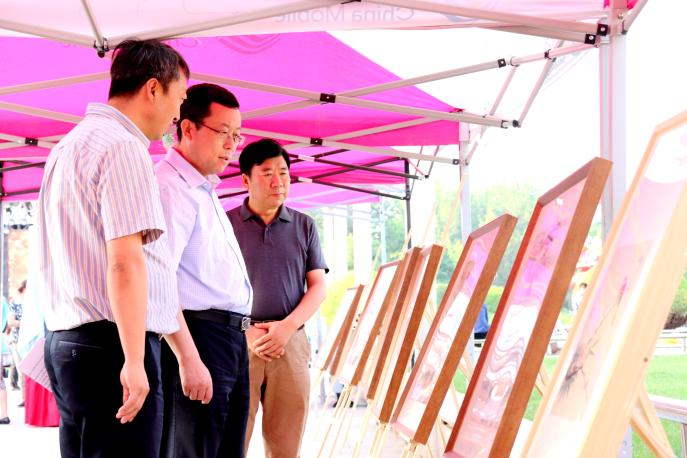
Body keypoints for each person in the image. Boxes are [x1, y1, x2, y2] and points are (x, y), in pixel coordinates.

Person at [36, 39, 188, 458]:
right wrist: (135, 360)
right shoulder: (123, 146)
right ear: (153, 88)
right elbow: (125, 264)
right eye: (179, 98)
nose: (178, 114)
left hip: (69, 341)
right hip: (111, 345)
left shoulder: (68, 145)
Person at [156, 83, 253, 458]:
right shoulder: (170, 187)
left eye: (237, 135)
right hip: (199, 336)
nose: (231, 145)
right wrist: (188, 357)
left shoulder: (203, 188)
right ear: (188, 128)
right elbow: (159, 280)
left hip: (229, 338)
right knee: (195, 449)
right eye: (223, 132)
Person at [227, 138, 328, 457]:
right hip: (238, 341)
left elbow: (318, 286)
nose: (278, 181)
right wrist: (247, 331)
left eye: (283, 173)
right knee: (231, 440)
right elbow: (211, 289)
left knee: (286, 444)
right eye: (267, 173)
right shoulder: (224, 224)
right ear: (245, 180)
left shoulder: (304, 225)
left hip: (290, 341)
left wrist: (287, 327)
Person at [7, 280, 26, 404]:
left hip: (34, 340)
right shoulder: (16, 302)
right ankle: (25, 398)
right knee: (21, 370)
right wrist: (26, 323)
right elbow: (11, 322)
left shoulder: (35, 302)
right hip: (17, 340)